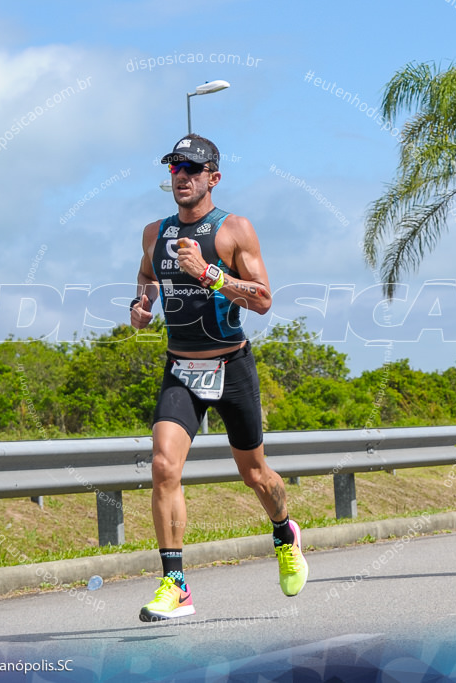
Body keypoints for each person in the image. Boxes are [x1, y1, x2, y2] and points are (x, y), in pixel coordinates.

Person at [129, 134, 308, 621]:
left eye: (192, 168)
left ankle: (283, 530)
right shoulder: (154, 233)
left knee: (255, 475)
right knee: (164, 467)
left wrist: (211, 275)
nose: (181, 177)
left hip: (231, 368)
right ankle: (175, 583)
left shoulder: (234, 230)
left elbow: (264, 299)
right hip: (181, 368)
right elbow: (147, 276)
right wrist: (140, 306)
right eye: (174, 169)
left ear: (213, 177)